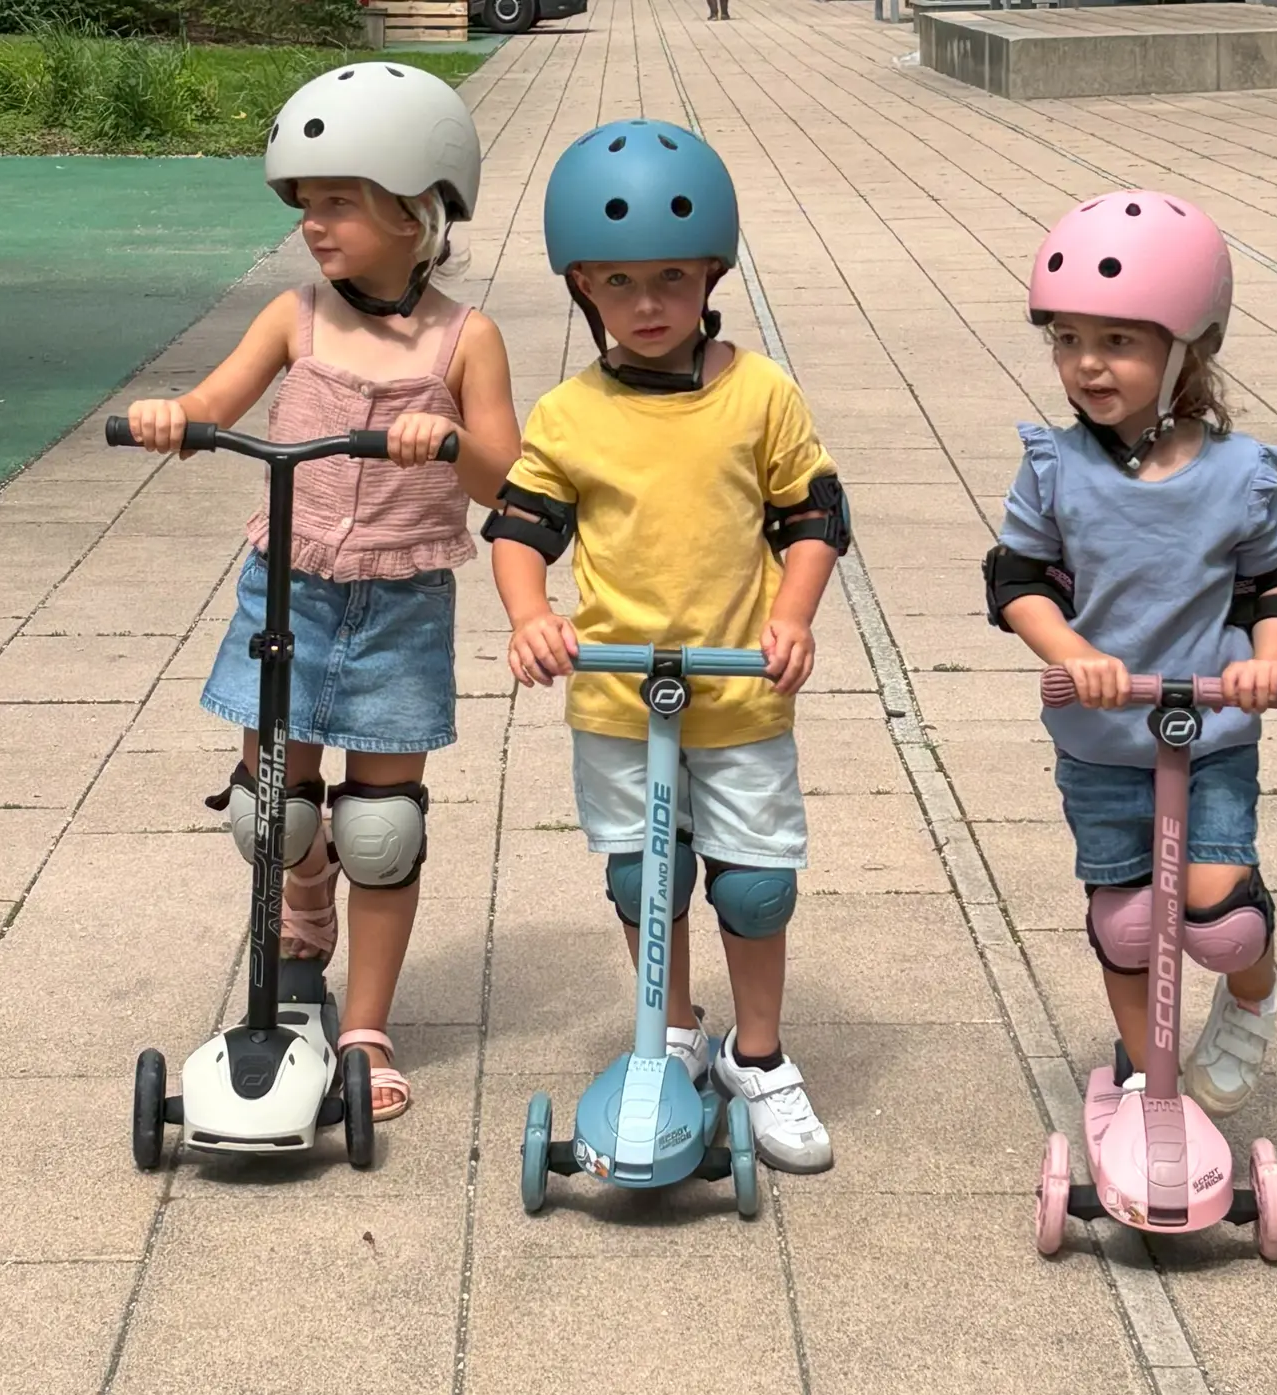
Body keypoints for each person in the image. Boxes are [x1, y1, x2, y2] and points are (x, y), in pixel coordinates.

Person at [121, 64, 521, 1122]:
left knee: (382, 828)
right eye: (306, 203)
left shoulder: (465, 338)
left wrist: (452, 445)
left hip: (401, 608)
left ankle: (365, 1024)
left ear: (419, 206)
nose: (316, 225)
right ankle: (298, 962)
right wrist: (176, 415)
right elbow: (217, 397)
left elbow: (510, 482)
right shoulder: (291, 318)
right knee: (276, 814)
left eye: (339, 200)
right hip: (284, 592)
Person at [484, 118, 850, 1173]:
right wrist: (529, 616)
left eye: (673, 281)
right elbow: (519, 528)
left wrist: (793, 616)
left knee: (753, 886)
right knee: (646, 879)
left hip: (737, 698)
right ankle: (677, 1030)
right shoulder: (568, 415)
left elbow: (813, 516)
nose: (649, 307)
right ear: (582, 289)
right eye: (620, 284)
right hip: (617, 699)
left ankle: (761, 1055)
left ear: (711, 277)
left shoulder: (760, 394)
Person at [983, 190, 1277, 1117]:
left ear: (1186, 350)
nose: (1088, 364)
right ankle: (1144, 1074)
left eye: (1119, 341)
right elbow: (1019, 577)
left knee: (1220, 915)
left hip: (1206, 731)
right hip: (1101, 738)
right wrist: (1070, 647)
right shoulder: (1053, 465)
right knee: (1127, 922)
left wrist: (1270, 660)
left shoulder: (1239, 474)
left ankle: (1251, 999)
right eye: (1068, 339)